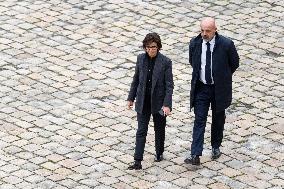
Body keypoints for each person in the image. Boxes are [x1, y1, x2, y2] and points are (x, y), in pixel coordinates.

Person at [184, 17, 239, 165]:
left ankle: (215, 146)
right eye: (202, 30)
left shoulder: (226, 45)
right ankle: (195, 154)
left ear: (215, 30)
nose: (204, 33)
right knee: (199, 119)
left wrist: (222, 77)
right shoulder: (195, 44)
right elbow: (193, 62)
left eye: (207, 31)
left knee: (218, 119)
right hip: (202, 87)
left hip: (219, 89)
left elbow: (234, 63)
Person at [127, 32, 174, 170]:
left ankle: (159, 152)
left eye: (153, 47)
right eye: (147, 47)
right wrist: (131, 98)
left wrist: (167, 104)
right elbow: (135, 80)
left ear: (158, 46)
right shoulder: (140, 59)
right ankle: (137, 161)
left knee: (159, 130)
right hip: (143, 101)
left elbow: (169, 85)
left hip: (159, 102)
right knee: (141, 131)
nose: (150, 50)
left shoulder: (165, 62)